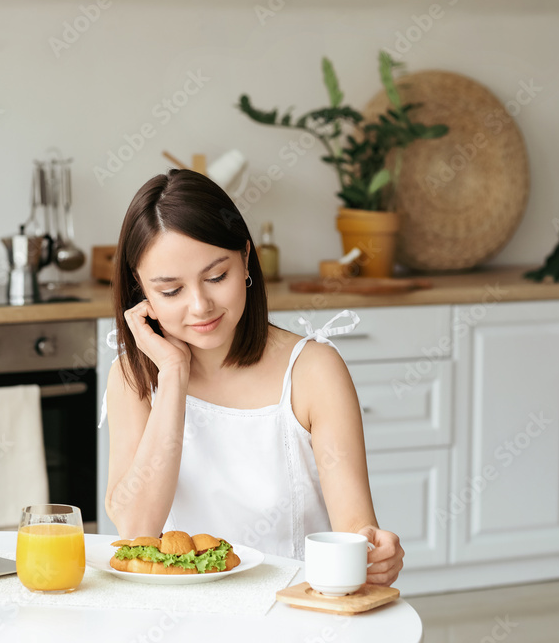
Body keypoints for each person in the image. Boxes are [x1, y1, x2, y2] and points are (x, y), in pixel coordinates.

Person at [99, 168, 403, 586]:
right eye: (171, 291)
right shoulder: (132, 377)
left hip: (293, 617)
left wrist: (373, 550)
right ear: (141, 289)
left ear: (245, 259)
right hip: (178, 624)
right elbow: (135, 530)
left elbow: (355, 529)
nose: (200, 305)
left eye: (216, 276)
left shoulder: (313, 371)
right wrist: (172, 373)